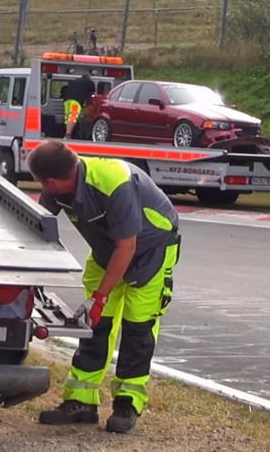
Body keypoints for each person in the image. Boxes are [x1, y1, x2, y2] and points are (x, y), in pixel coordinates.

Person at [28, 141, 181, 434]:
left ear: (51, 181)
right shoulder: (57, 185)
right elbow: (38, 227)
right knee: (95, 325)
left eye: (42, 185)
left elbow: (128, 245)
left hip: (151, 250)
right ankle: (81, 402)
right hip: (107, 251)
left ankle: (127, 403)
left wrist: (100, 296)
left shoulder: (114, 183)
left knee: (138, 326)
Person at [59, 72, 95, 139]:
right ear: (89, 78)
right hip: (75, 102)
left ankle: (66, 133)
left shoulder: (75, 81)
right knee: (73, 117)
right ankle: (68, 135)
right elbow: (92, 94)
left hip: (67, 101)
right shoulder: (90, 83)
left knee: (67, 118)